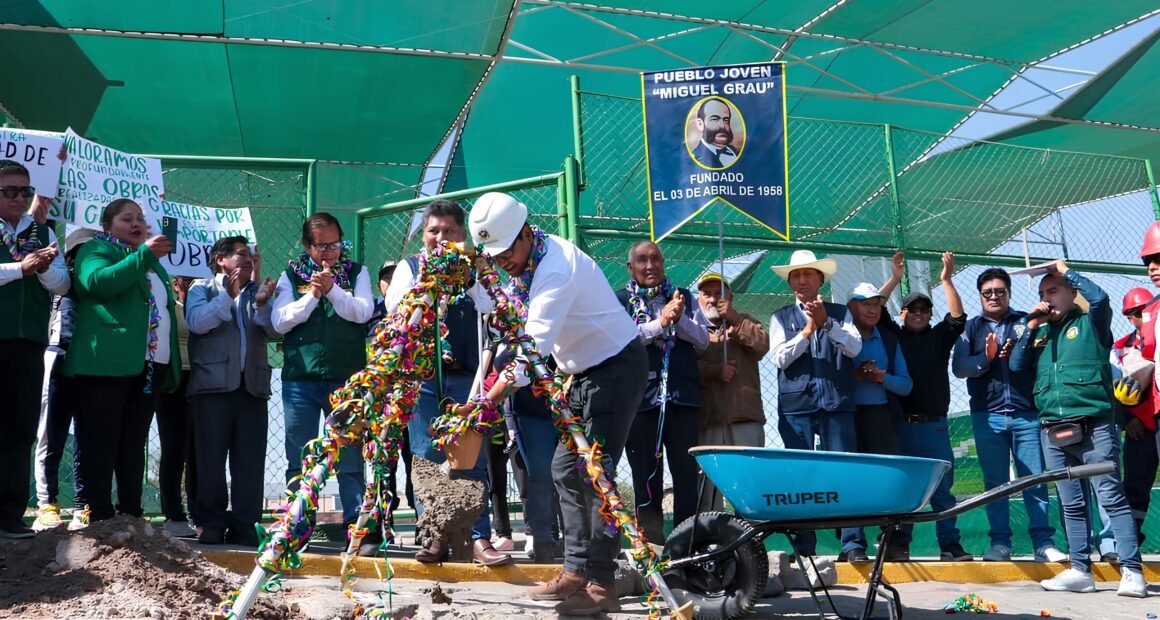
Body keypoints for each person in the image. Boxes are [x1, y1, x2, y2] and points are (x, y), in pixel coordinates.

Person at [467, 192, 647, 615]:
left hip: (616, 369)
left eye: (506, 250)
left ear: (527, 233)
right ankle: (575, 570)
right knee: (567, 469)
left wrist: (487, 401)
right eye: (492, 256)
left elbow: (531, 353)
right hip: (582, 373)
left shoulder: (555, 269)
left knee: (594, 473)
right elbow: (501, 317)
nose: (501, 261)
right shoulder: (526, 266)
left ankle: (602, 584)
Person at [381, 200, 510, 566]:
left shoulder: (477, 268)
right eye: (433, 231)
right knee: (426, 457)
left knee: (469, 459)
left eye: (448, 231)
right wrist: (428, 282)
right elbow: (395, 310)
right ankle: (434, 536)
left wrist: (468, 280)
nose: (440, 238)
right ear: (424, 235)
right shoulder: (410, 268)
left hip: (468, 382)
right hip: (423, 381)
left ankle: (479, 537)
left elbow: (495, 309)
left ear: (462, 234)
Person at [1008, 261, 1146, 597]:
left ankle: (1131, 571)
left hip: (1094, 424)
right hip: (1052, 430)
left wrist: (1065, 270)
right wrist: (1030, 326)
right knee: (1070, 504)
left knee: (1111, 497)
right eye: (1042, 293)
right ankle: (1081, 570)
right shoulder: (1039, 334)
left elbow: (1099, 299)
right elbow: (1015, 366)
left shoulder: (1091, 324)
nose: (1046, 298)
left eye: (1053, 290)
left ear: (1072, 293)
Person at [66, 199, 181, 528]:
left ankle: (130, 514)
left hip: (148, 364)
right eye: (127, 218)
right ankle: (98, 513)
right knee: (101, 439)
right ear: (107, 225)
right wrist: (144, 254)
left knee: (133, 441)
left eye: (141, 219)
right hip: (106, 362)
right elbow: (96, 283)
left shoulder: (152, 262)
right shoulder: (97, 249)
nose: (136, 224)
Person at [952, 267, 1063, 562]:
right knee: (995, 484)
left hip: (1026, 415)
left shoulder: (1027, 321)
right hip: (987, 416)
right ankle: (1000, 544)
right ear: (980, 296)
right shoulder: (971, 328)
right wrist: (985, 359)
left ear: (1009, 293)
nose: (994, 297)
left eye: (1000, 291)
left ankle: (1044, 543)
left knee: (1034, 480)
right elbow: (959, 368)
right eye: (987, 292)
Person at [272, 213, 373, 531]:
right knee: (299, 454)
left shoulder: (358, 272)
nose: (330, 252)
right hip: (301, 379)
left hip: (347, 378)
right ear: (307, 246)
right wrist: (313, 296)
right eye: (322, 246)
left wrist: (333, 290)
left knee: (351, 453)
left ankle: (355, 523)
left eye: (335, 244)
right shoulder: (290, 276)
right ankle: (297, 524)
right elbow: (280, 321)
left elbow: (362, 312)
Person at [877, 251, 973, 562]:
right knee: (900, 488)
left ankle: (950, 545)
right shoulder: (893, 336)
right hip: (900, 425)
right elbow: (875, 307)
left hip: (934, 426)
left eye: (924, 309)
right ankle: (896, 544)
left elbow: (958, 318)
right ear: (901, 313)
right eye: (912, 308)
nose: (918, 313)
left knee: (943, 490)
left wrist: (945, 280)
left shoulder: (938, 338)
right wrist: (894, 277)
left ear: (930, 315)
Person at [767, 249, 862, 559]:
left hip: (837, 405)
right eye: (796, 275)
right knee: (800, 478)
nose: (802, 279)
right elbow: (779, 358)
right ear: (790, 283)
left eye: (808, 274)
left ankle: (853, 545)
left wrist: (827, 325)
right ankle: (804, 547)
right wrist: (808, 331)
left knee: (845, 475)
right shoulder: (780, 317)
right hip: (797, 408)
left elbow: (853, 347)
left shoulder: (840, 313)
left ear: (820, 279)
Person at [186, 236, 278, 547]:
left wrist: (264, 304)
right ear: (220, 260)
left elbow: (273, 330)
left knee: (250, 461)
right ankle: (210, 522)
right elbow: (198, 322)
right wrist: (227, 294)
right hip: (211, 388)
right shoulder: (202, 288)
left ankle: (245, 524)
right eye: (240, 254)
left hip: (252, 389)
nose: (248, 260)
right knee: (210, 459)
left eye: (252, 255)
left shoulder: (258, 294)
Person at [617, 241, 708, 544]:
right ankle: (652, 548)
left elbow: (704, 340)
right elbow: (621, 340)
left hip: (682, 400)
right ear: (631, 268)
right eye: (642, 260)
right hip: (639, 403)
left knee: (686, 477)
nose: (650, 266)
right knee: (645, 479)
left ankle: (685, 548)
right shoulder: (620, 301)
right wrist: (661, 323)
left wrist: (679, 318)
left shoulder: (683, 297)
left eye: (655, 259)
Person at [0, 161, 69, 538]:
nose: (19, 198)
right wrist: (19, 269)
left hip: (29, 342)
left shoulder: (41, 231)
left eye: (24, 191)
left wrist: (41, 267)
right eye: (9, 190)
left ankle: (10, 514)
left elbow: (61, 285)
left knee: (20, 427)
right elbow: (17, 271)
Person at [846, 282, 912, 561]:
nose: (872, 309)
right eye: (865, 303)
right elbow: (830, 381)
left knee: (892, 481)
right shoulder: (840, 337)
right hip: (847, 417)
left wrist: (881, 378)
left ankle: (894, 543)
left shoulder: (889, 340)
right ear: (852, 307)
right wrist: (856, 376)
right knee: (850, 482)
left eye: (876, 304)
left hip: (883, 418)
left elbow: (906, 385)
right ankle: (853, 545)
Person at [693, 272, 768, 511]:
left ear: (731, 298)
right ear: (699, 299)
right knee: (709, 487)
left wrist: (734, 319)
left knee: (749, 484)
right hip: (709, 421)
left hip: (744, 419)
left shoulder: (745, 320)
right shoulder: (692, 330)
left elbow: (762, 345)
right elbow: (684, 370)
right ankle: (713, 539)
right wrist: (713, 371)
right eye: (707, 294)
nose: (713, 300)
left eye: (719, 294)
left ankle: (750, 541)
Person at [1110, 285, 1158, 550]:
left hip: (1157, 421)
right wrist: (1127, 419)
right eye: (1136, 312)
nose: (1141, 316)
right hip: (1139, 430)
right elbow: (1113, 389)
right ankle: (1129, 543)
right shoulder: (1119, 348)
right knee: (1135, 487)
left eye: (1145, 310)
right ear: (1128, 316)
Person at [368, 260, 414, 511]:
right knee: (382, 458)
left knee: (413, 458)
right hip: (381, 396)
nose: (393, 283)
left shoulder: (419, 310)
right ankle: (382, 520)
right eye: (388, 278)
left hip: (410, 395)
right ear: (379, 285)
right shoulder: (372, 313)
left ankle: (422, 521)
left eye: (398, 277)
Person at [155, 275, 198, 538]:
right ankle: (173, 512)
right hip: (174, 379)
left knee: (199, 449)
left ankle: (199, 511)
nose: (191, 282)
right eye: (184, 279)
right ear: (175, 283)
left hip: (202, 380)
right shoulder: (169, 306)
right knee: (175, 447)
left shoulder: (208, 303)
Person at [690, 98, 738, 169]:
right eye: (715, 119)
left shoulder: (733, 150)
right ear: (700, 124)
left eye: (726, 120)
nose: (722, 125)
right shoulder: (695, 157)